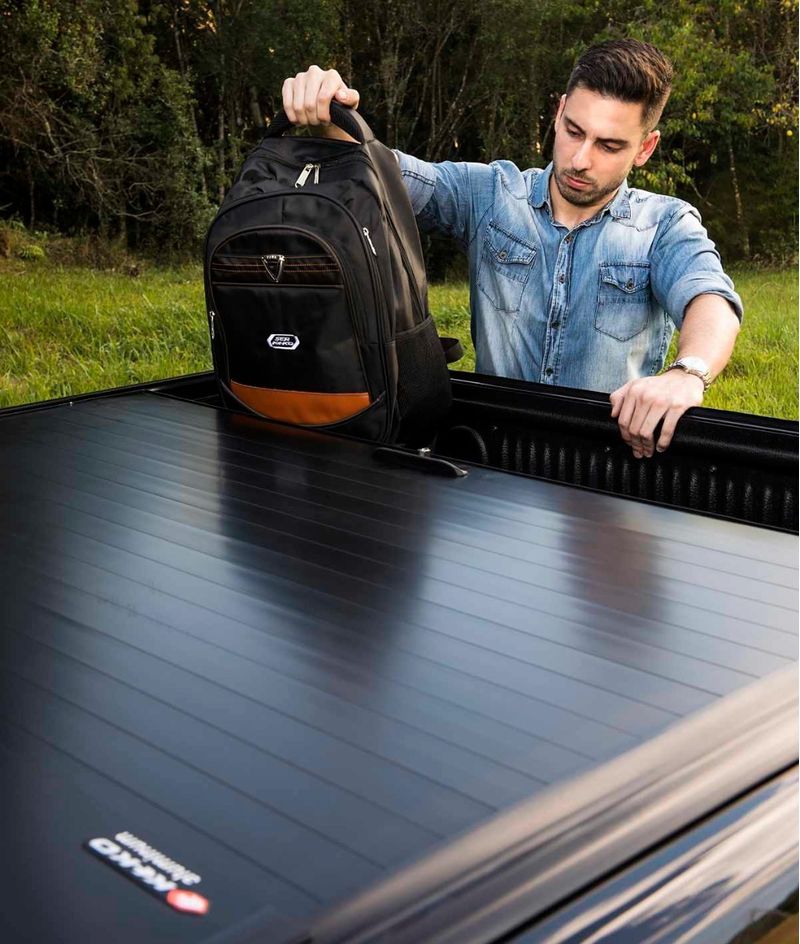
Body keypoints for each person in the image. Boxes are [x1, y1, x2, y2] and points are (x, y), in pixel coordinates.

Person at [281, 40, 742, 458]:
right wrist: (328, 116)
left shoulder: (664, 224)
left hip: (606, 464)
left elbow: (711, 298)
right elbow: (382, 174)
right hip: (494, 453)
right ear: (558, 112)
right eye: (574, 131)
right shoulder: (490, 194)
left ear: (645, 148)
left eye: (609, 146)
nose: (581, 159)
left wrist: (687, 373)